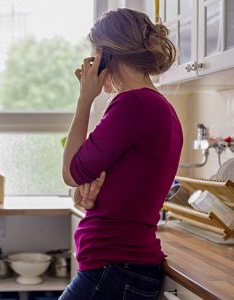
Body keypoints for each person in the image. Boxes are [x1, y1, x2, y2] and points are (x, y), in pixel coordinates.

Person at [60, 8, 183, 299]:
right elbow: (92, 181)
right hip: (121, 266)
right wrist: (89, 194)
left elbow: (70, 173)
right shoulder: (156, 106)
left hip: (114, 267)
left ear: (104, 54)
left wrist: (85, 99)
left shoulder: (133, 104)